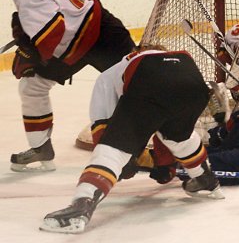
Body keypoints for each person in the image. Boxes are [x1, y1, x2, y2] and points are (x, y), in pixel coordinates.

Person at [40, 45, 224, 234]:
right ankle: (206, 179)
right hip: (191, 76)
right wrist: (164, 163)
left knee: (112, 149)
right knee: (178, 137)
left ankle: (81, 206)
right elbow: (163, 128)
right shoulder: (169, 57)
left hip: (151, 78)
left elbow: (105, 132)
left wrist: (125, 163)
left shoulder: (111, 74)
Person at [0, 0, 135, 172]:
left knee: (137, 86)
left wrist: (30, 53)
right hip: (76, 39)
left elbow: (53, 32)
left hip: (101, 36)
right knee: (32, 86)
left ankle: (166, 142)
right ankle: (41, 148)